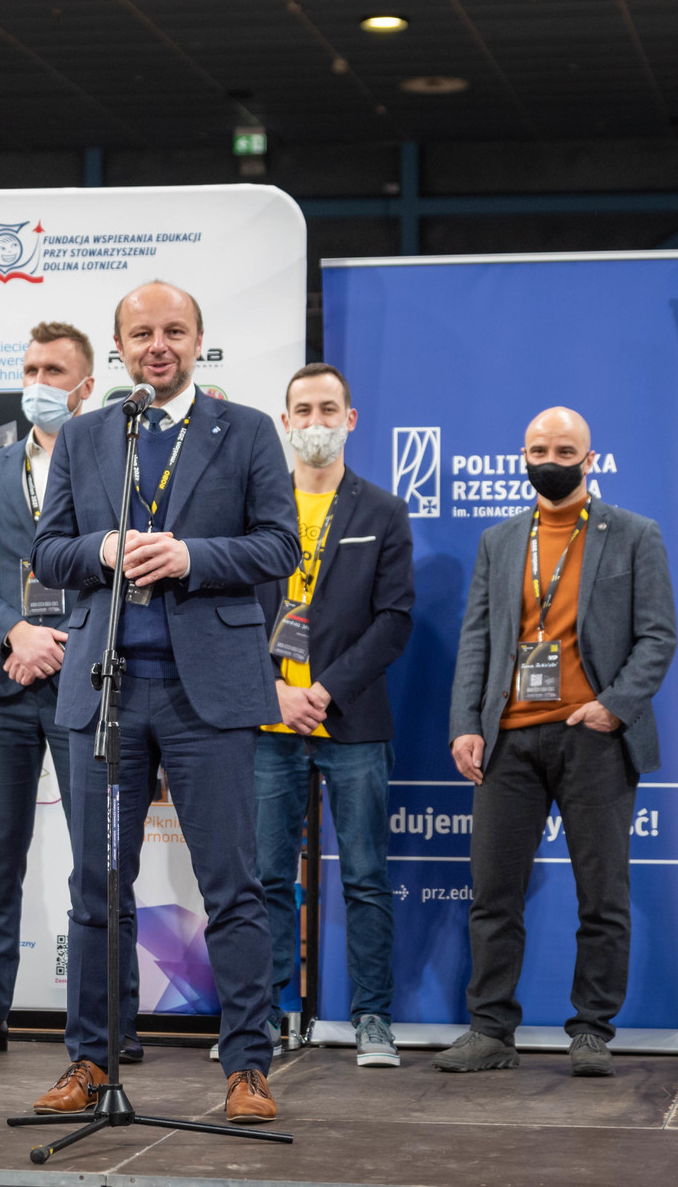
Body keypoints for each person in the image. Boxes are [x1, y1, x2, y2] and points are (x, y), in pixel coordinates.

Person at [30, 281, 299, 1123]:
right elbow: (48, 551)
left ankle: (247, 1067)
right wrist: (103, 548)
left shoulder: (245, 430)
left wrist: (191, 557)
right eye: (142, 332)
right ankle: (91, 1060)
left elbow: (280, 546)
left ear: (197, 341)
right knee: (98, 887)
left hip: (205, 695)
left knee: (233, 886)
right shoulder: (87, 435)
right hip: (106, 691)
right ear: (118, 347)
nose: (158, 345)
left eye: (174, 331)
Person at [436, 406, 677, 1078]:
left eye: (565, 451)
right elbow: (477, 639)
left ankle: (592, 1031)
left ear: (589, 460)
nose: (551, 460)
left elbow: (658, 636)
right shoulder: (499, 540)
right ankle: (490, 1031)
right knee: (493, 895)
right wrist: (465, 724)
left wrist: (613, 707)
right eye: (539, 450)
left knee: (602, 896)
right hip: (507, 742)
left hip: (593, 739)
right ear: (523, 455)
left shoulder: (635, 534)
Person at [0, 320, 139, 1062]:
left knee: (101, 860)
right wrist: (15, 634)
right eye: (29, 369)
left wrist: (60, 644)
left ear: (85, 386)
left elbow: (124, 569)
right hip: (4, 684)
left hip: (85, 682)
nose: (38, 383)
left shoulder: (116, 466)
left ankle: (112, 1025)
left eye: (53, 371)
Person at [252, 363, 413, 1068]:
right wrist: (274, 692)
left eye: (327, 410)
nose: (314, 422)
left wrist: (326, 690)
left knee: (366, 877)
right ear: (284, 421)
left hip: (350, 723)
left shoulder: (382, 511)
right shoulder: (256, 512)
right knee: (265, 878)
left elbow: (394, 619)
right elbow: (229, 617)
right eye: (302, 410)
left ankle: (372, 1018)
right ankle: (262, 1016)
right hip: (268, 725)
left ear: (349, 419)